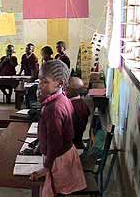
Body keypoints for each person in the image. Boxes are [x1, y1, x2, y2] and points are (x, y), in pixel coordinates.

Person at [30, 60, 87, 196]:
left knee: (55, 191)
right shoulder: (63, 98)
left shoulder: (54, 109)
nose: (40, 86)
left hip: (58, 159)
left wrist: (46, 168)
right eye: (39, 81)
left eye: (45, 82)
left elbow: (55, 142)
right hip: (64, 153)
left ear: (60, 83)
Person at [66, 77, 90, 149]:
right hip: (77, 141)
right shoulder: (82, 104)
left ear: (69, 90)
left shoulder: (71, 107)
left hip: (71, 145)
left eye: (66, 89)